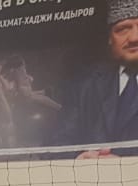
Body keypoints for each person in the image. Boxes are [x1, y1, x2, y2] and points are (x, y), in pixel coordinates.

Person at [59, 2, 138, 152]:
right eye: (123, 29)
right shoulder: (84, 85)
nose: (134, 38)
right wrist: (79, 158)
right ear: (110, 38)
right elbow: (56, 144)